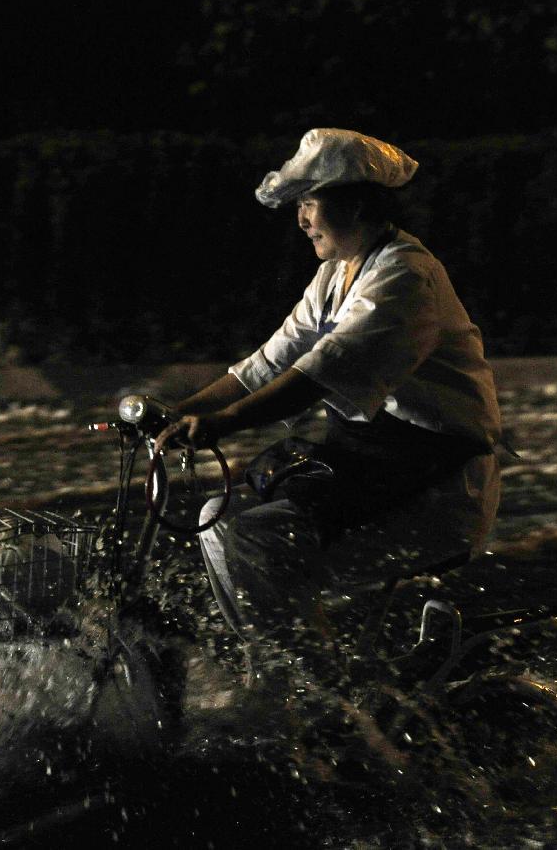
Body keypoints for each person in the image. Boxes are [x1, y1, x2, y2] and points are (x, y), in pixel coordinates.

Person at [155, 128, 503, 658]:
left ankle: (308, 692)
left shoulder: (404, 276)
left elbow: (317, 375)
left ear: (357, 203)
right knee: (218, 519)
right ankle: (296, 674)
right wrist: (179, 411)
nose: (300, 219)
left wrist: (221, 424)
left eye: (310, 203)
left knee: (253, 541)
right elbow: (266, 364)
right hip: (378, 470)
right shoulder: (335, 276)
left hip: (436, 487)